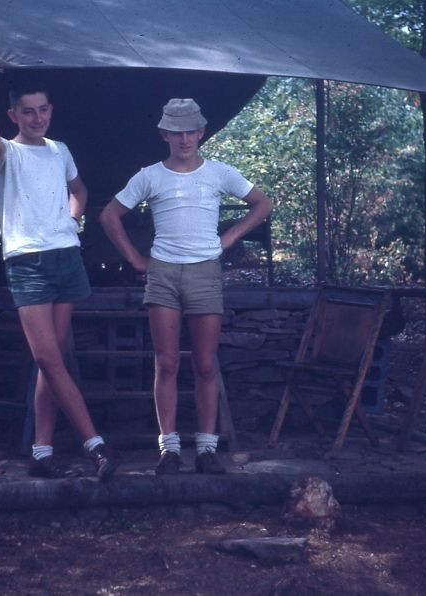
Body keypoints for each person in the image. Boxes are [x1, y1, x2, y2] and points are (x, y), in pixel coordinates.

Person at [99, 98, 273, 475]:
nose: (184, 139)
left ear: (201, 132)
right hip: (163, 272)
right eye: (177, 132)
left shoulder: (219, 172)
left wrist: (228, 238)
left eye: (191, 132)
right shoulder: (150, 176)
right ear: (164, 134)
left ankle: (207, 449)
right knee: (166, 362)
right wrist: (136, 259)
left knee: (206, 363)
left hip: (204, 271)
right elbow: (110, 215)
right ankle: (169, 449)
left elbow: (262, 203)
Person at [0, 59, 117, 479]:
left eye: (43, 110)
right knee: (48, 357)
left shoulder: (59, 151)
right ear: (13, 114)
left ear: (51, 110)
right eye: (28, 112)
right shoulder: (6, 153)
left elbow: (79, 190)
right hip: (27, 261)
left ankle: (42, 452)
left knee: (52, 360)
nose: (37, 118)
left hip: (66, 257)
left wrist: (71, 218)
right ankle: (95, 445)